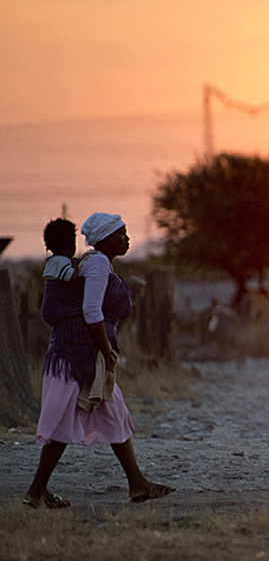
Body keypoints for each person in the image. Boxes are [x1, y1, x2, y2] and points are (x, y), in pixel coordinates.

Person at [24, 212, 174, 508]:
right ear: (105, 239)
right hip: (79, 357)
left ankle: (136, 484)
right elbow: (92, 312)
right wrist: (106, 352)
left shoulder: (95, 265)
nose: (127, 239)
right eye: (122, 233)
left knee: (113, 414)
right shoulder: (98, 264)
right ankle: (37, 491)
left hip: (80, 355)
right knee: (68, 424)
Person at [42, 218, 79, 282]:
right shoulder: (60, 261)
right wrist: (77, 265)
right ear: (70, 245)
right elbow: (72, 276)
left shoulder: (53, 261)